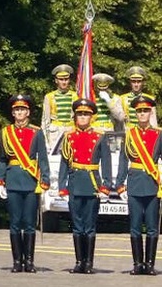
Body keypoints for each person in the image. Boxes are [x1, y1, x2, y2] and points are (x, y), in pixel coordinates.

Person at [0, 94, 50, 273]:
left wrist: (45, 180)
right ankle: (17, 261)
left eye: (22, 109)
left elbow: (42, 158)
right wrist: (0, 181)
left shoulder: (36, 132)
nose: (19, 112)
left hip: (30, 181)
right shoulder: (6, 132)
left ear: (28, 112)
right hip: (13, 181)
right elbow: (3, 160)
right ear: (13, 113)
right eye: (16, 110)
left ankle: (29, 261)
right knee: (15, 223)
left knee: (28, 223)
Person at [58, 98, 112, 274]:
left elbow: (107, 163)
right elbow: (64, 164)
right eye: (80, 114)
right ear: (75, 116)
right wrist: (62, 186)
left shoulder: (99, 136)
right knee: (77, 225)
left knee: (89, 226)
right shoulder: (68, 136)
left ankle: (88, 262)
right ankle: (79, 261)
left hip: (92, 184)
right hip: (74, 184)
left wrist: (106, 186)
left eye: (86, 114)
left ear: (91, 117)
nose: (82, 117)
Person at [115, 95, 161, 276]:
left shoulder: (159, 134)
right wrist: (119, 184)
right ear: (136, 114)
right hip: (134, 183)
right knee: (134, 226)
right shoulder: (129, 135)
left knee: (151, 227)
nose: (142, 114)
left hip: (151, 184)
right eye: (139, 111)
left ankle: (149, 264)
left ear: (150, 113)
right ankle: (137, 264)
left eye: (145, 111)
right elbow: (122, 161)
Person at [41, 64, 77, 150]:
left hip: (71, 130)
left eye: (66, 79)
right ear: (56, 81)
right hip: (55, 133)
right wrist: (45, 140)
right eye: (61, 79)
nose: (64, 82)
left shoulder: (75, 96)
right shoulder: (49, 96)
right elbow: (45, 120)